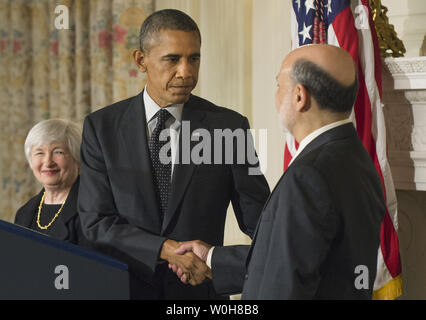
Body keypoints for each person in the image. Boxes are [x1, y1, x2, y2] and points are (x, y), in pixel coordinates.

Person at [77, 9, 270, 299]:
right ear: (141, 60)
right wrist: (167, 250)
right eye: (173, 59)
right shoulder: (101, 128)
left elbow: (262, 221)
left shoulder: (230, 127)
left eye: (194, 58)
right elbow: (95, 223)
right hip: (123, 290)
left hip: (199, 295)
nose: (186, 71)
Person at [171, 44, 386, 299]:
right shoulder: (355, 156)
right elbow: (301, 259)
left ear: (299, 96)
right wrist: (213, 259)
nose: (275, 95)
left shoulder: (308, 176)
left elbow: (284, 284)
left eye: (278, 85)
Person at [15, 119, 90, 247]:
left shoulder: (93, 209)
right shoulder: (24, 213)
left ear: (76, 158)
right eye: (39, 153)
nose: (48, 162)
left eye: (58, 152)